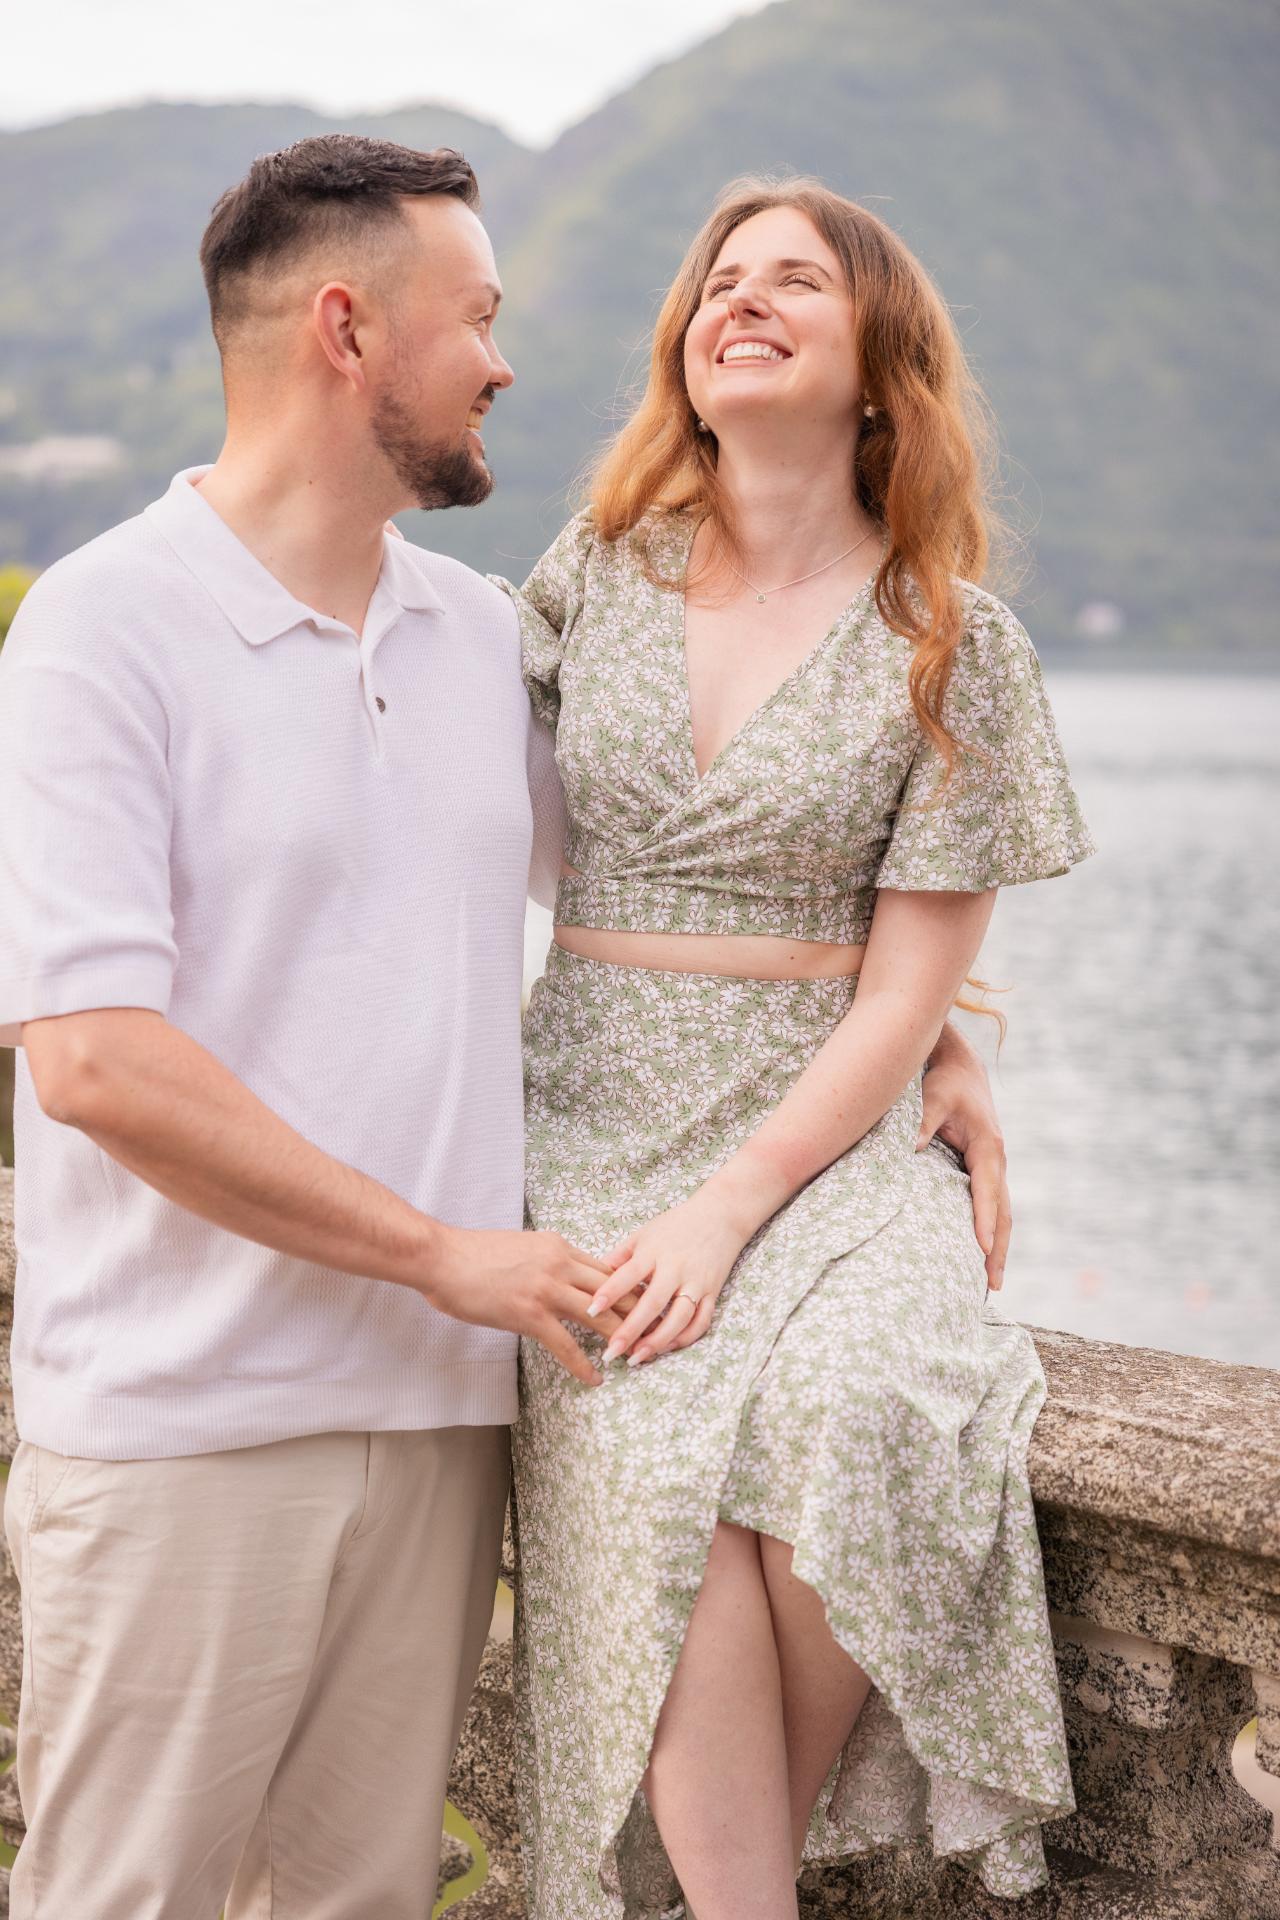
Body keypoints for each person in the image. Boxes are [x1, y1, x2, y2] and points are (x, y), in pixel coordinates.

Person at [0, 139, 1009, 1918]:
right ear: (345, 332)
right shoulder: (105, 626)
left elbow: (696, 864)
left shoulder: (477, 636)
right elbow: (87, 1063)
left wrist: (939, 1033)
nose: (508, 361)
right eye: (475, 318)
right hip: (191, 1420)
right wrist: (443, 1255)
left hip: (440, 1414)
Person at [493, 176, 1095, 1920]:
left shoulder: (956, 645)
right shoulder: (592, 578)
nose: (739, 303)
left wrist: (788, 1167)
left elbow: (906, 988)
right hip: (597, 1098)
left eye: (794, 287)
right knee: (653, 1451)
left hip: (826, 1117)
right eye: (718, 285)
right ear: (684, 352)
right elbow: (439, 817)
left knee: (874, 1408)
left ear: (879, 367)